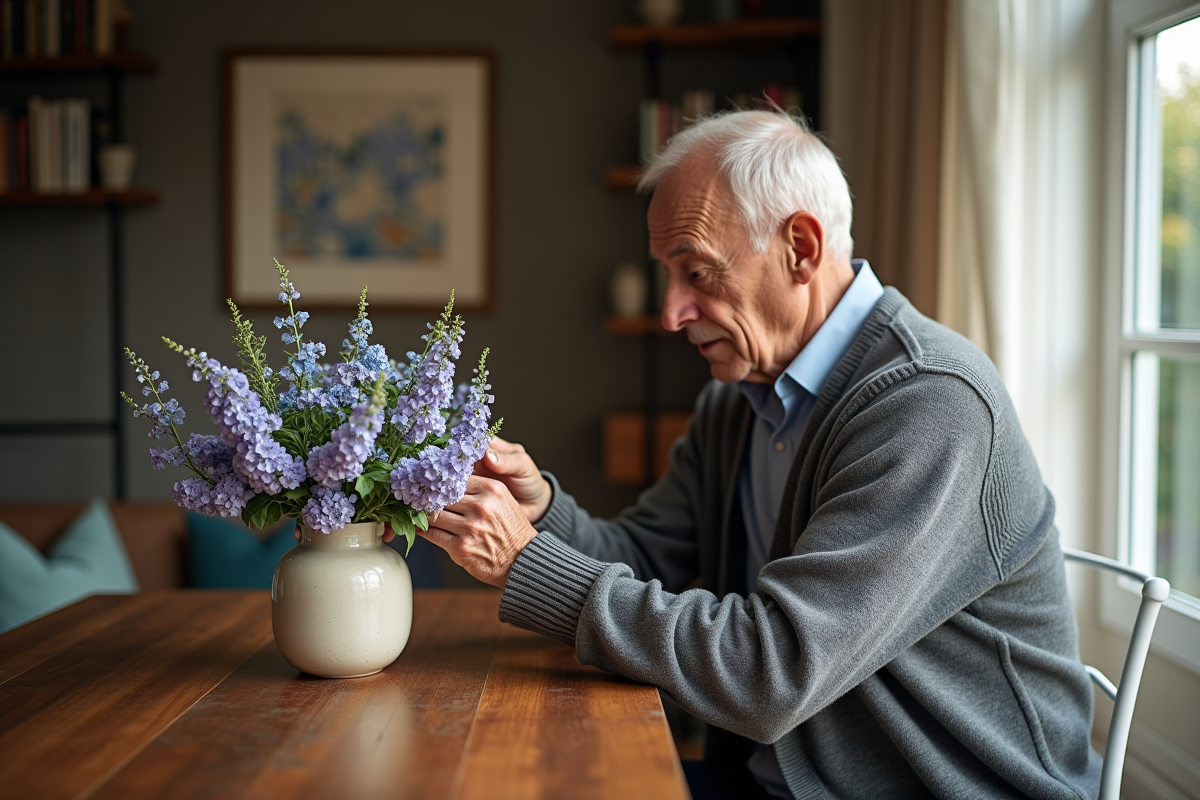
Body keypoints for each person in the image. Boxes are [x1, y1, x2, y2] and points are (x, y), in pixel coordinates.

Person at [415, 110, 1102, 799]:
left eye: (698, 272)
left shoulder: (928, 405)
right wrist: (541, 513)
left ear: (800, 247)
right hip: (779, 777)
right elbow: (648, 554)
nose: (671, 312)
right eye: (667, 275)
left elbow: (773, 672)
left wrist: (527, 562)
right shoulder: (739, 396)